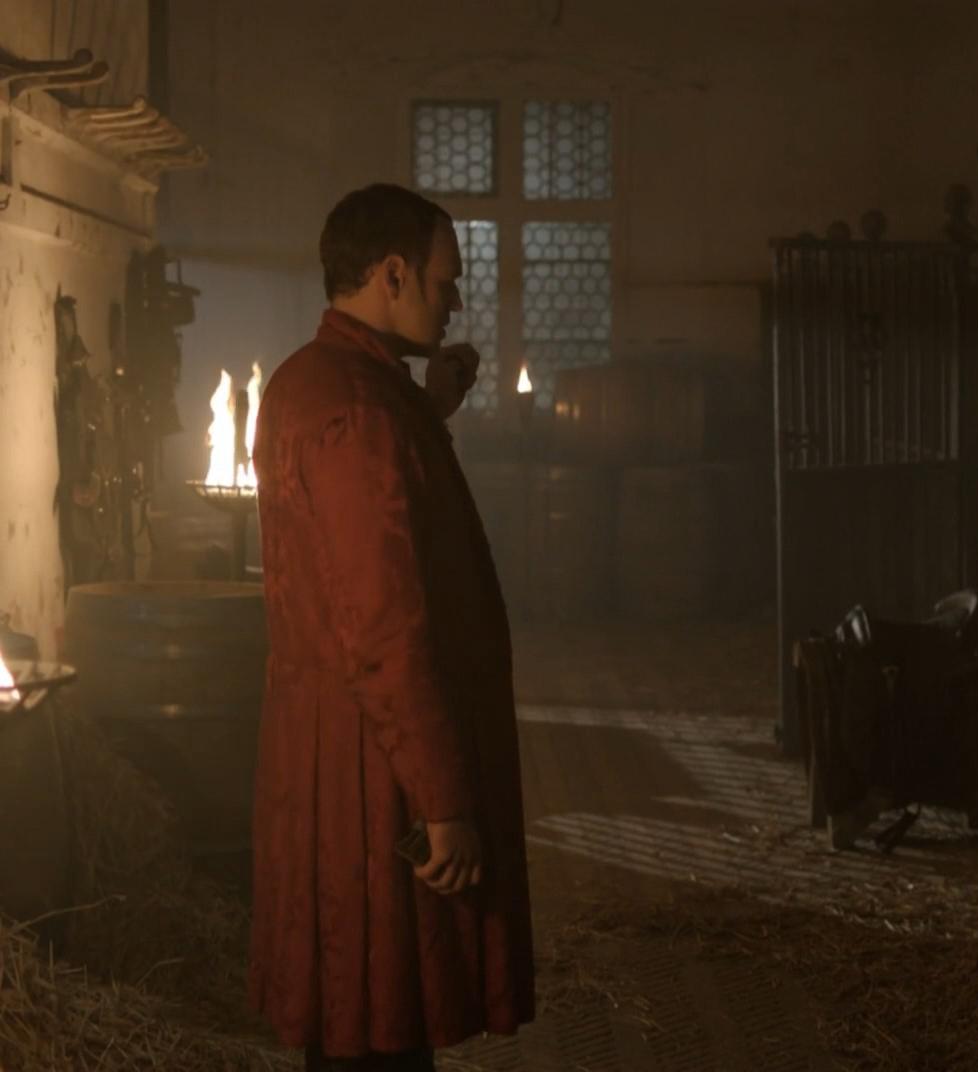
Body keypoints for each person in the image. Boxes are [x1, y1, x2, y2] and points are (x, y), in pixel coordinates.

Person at [249, 183, 535, 1071]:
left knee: (360, 1014)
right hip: (375, 769)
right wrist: (444, 801)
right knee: (375, 1016)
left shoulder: (319, 382)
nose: (455, 301)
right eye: (446, 282)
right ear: (394, 274)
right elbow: (383, 629)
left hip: (336, 743)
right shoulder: (362, 412)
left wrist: (426, 406)